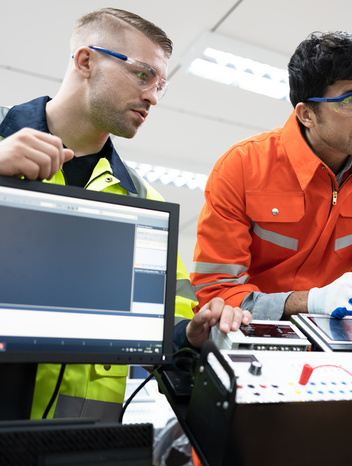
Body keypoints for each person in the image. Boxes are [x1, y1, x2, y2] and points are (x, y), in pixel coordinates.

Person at [0, 8, 249, 422]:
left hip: (78, 441)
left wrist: (191, 332)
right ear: (85, 61)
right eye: (142, 75)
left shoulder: (141, 200)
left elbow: (175, 322)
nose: (152, 96)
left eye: (160, 85)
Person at [191, 31, 352, 330]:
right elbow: (217, 295)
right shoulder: (242, 167)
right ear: (307, 114)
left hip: (347, 343)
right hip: (260, 337)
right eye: (351, 100)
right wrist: (312, 302)